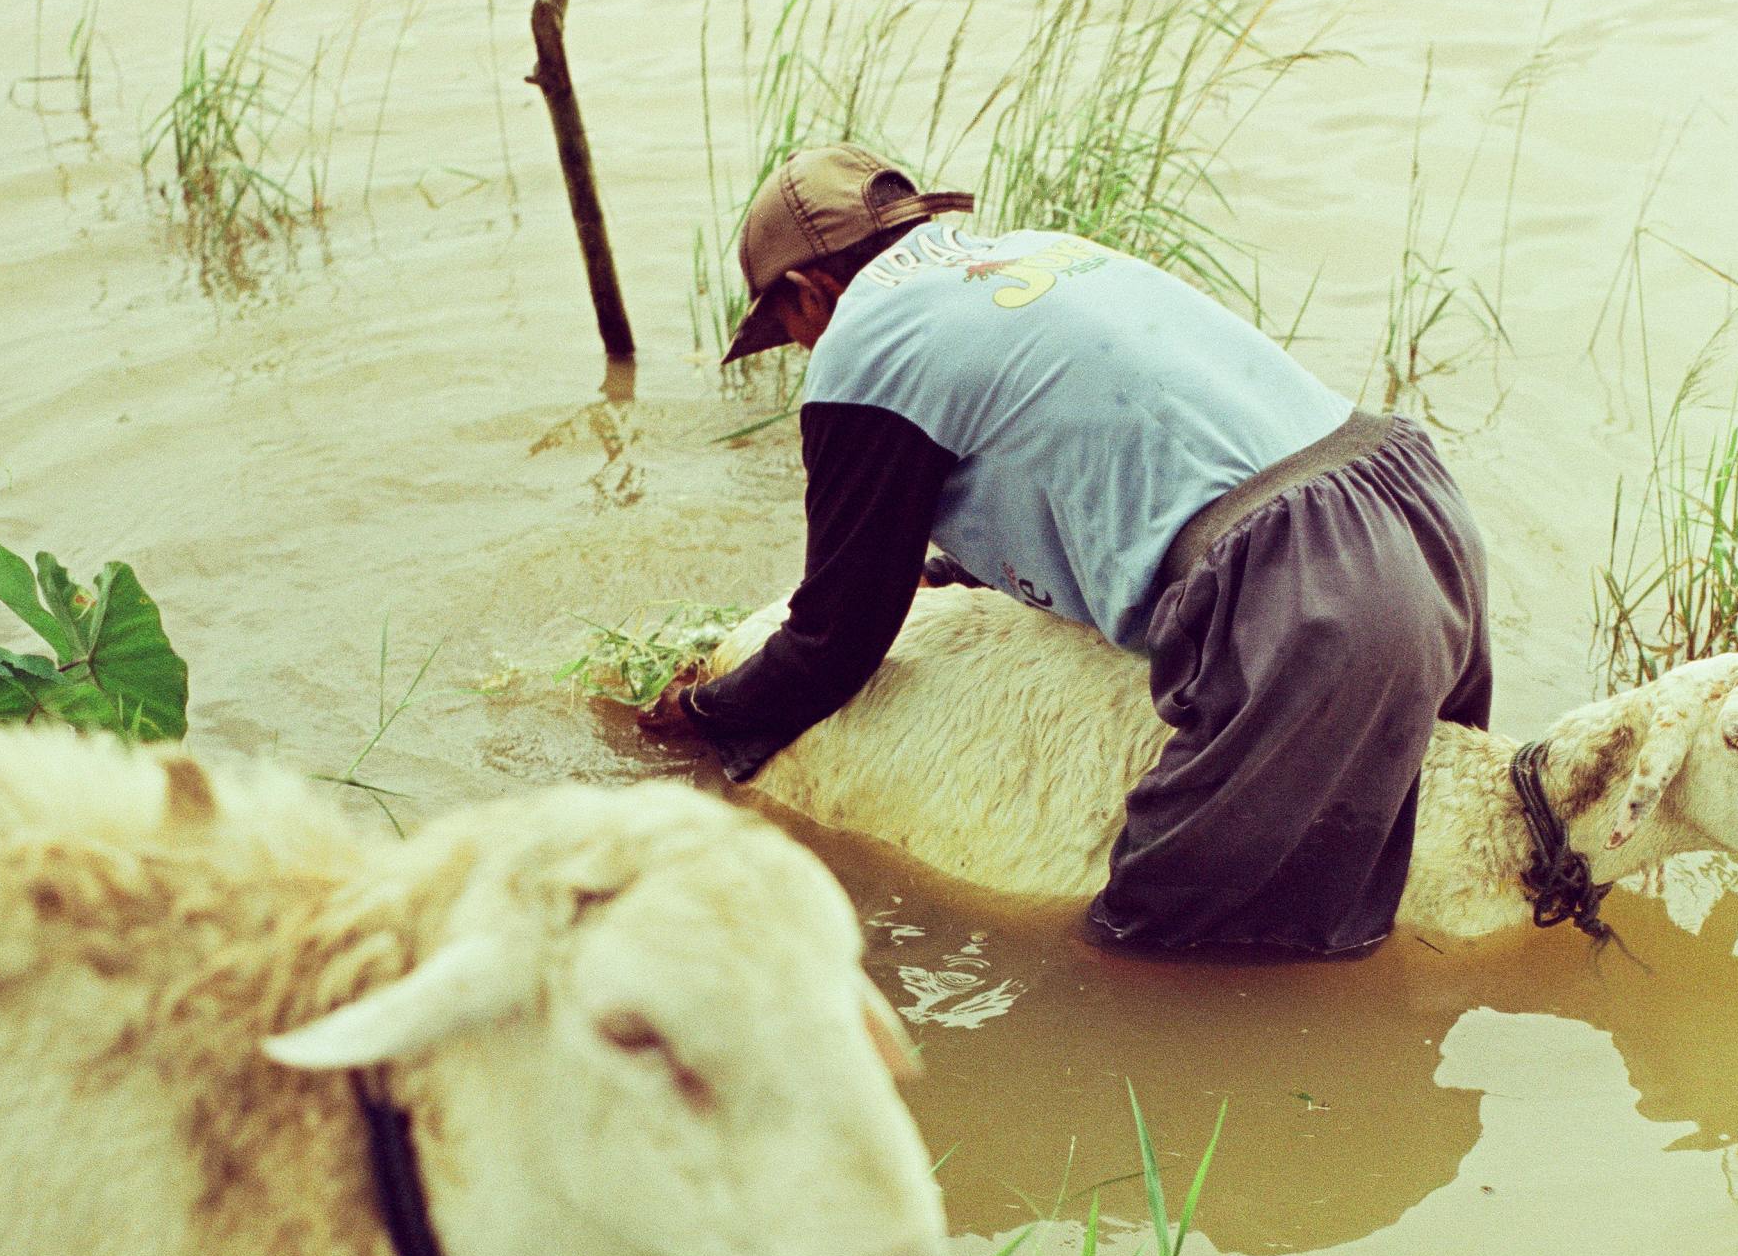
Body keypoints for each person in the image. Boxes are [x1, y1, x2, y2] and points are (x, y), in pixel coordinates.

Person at [640, 143, 1494, 959]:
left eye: (788, 327)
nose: (802, 352)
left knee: (1143, 958)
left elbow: (836, 640)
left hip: (1305, 596)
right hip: (1416, 509)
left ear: (809, 291)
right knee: (1432, 871)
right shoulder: (1039, 256)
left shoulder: (865, 347)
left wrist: (700, 716)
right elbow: (1104, 467)